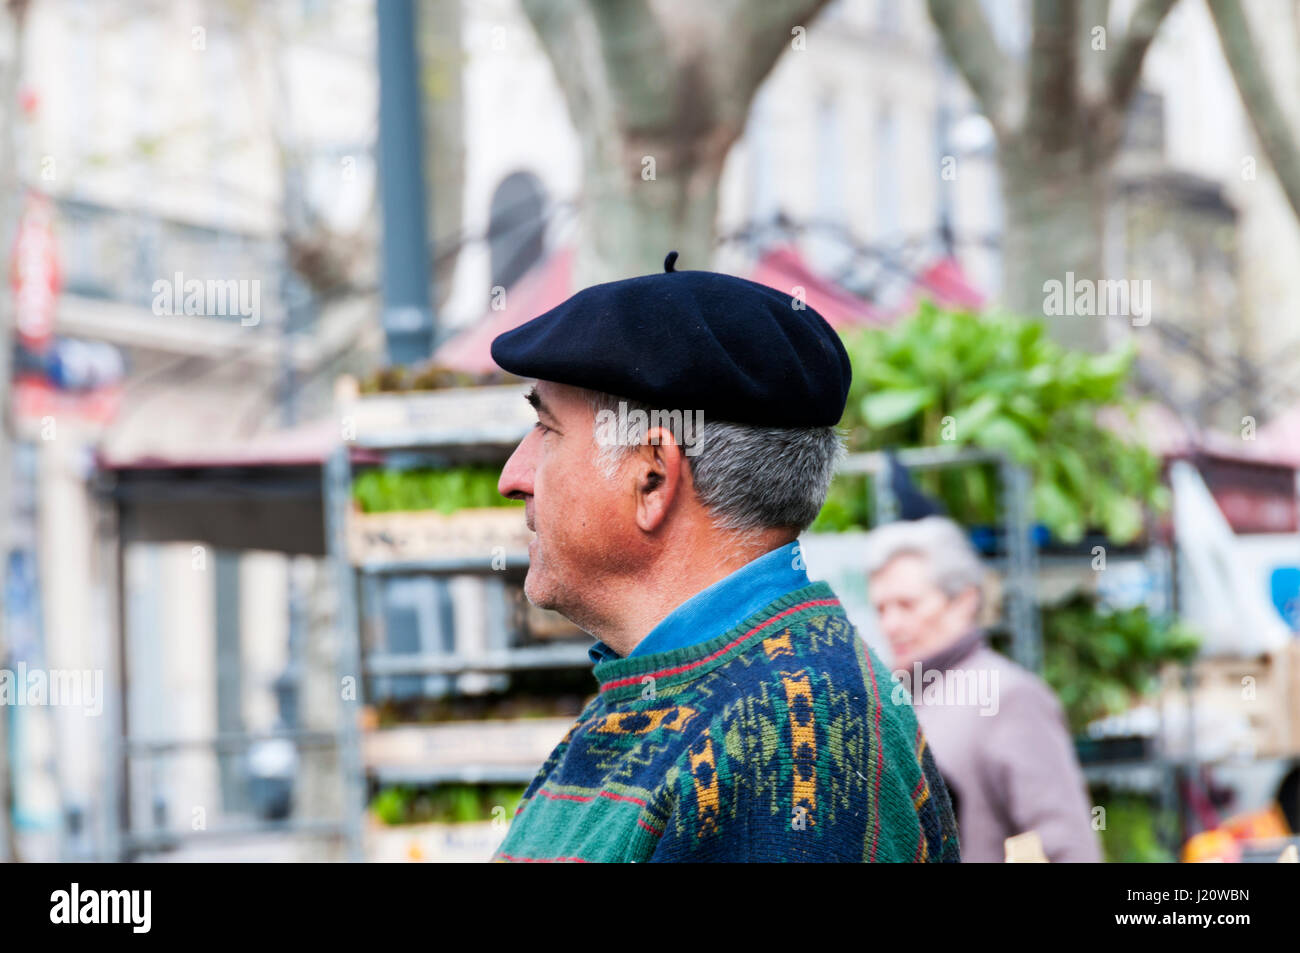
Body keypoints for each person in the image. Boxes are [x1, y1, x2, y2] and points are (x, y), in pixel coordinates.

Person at [487, 252, 959, 862]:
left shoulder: (788, 738)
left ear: (652, 477)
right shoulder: (683, 689)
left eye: (546, 430)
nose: (512, 476)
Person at [864, 516, 1102, 862]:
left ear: (963, 601)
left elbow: (1069, 847)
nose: (891, 624)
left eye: (907, 605)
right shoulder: (891, 697)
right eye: (881, 609)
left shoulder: (1009, 698)